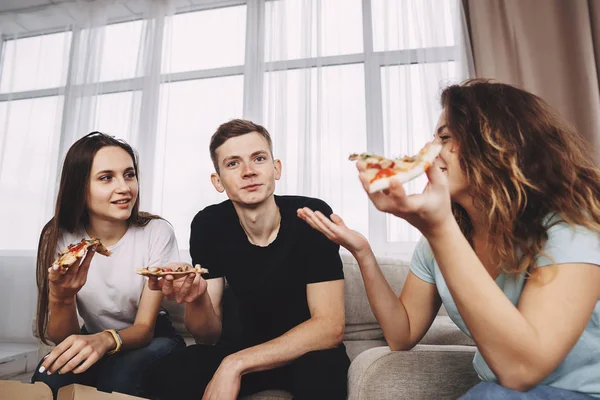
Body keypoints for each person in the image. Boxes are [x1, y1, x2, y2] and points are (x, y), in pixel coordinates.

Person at [298, 79, 600, 399]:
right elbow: (403, 334)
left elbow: (522, 372)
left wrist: (439, 228)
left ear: (497, 143)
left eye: (445, 137)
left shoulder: (570, 230)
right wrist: (364, 253)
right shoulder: (438, 241)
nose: (430, 152)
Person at [144, 119, 349, 400]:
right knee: (169, 373)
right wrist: (197, 297)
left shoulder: (310, 214)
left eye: (259, 158)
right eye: (233, 164)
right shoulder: (209, 224)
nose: (249, 171)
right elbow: (207, 337)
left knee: (323, 374)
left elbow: (330, 326)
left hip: (307, 350)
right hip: (238, 345)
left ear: (276, 169)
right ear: (218, 181)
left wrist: (235, 364)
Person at [31, 132, 185, 399]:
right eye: (106, 178)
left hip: (153, 337)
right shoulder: (59, 237)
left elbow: (144, 329)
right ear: (79, 186)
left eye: (129, 174)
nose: (125, 188)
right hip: (90, 335)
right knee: (48, 377)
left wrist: (104, 341)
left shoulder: (157, 232)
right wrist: (63, 297)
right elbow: (62, 337)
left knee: (120, 375)